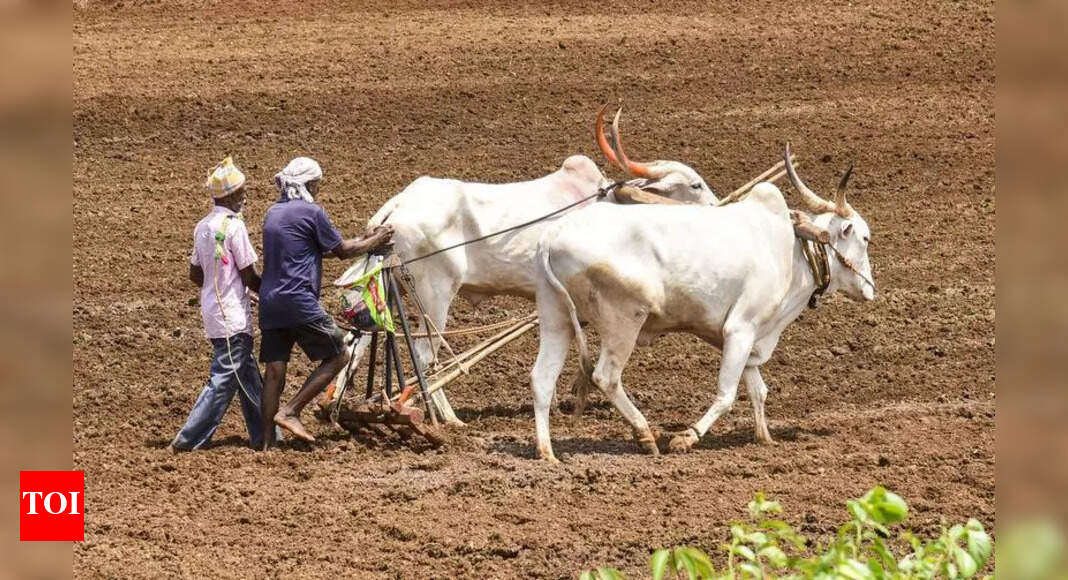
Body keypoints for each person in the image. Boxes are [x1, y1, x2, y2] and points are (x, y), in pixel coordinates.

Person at [258, 157, 393, 448]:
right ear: (309, 184)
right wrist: (377, 238)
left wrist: (364, 240)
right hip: (299, 299)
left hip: (270, 301)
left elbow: (320, 248)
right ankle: (291, 411)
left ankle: (266, 443)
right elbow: (342, 251)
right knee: (339, 355)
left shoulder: (273, 213)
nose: (319, 188)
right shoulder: (312, 212)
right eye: (317, 184)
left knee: (275, 371)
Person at [171, 156, 273, 451]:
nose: (245, 196)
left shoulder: (202, 226)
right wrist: (271, 293)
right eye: (241, 192)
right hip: (233, 318)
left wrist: (220, 284)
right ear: (229, 196)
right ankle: (187, 440)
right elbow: (249, 274)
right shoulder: (234, 226)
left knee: (248, 378)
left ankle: (265, 436)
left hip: (214, 314)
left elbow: (195, 274)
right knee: (223, 379)